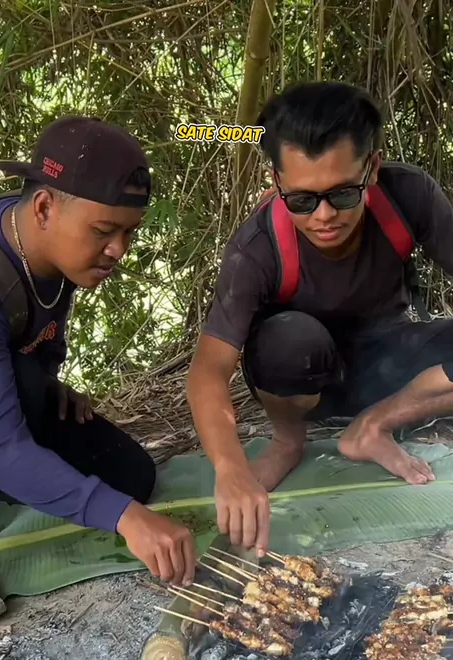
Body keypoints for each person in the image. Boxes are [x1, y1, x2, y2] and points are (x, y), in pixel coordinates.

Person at [187, 81, 453, 558]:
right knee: (287, 341)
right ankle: (287, 442)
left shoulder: (407, 195)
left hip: (393, 370)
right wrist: (230, 469)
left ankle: (374, 425)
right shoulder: (257, 248)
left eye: (343, 194)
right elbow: (208, 370)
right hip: (306, 382)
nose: (324, 216)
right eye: (303, 200)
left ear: (372, 167)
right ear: (276, 181)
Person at [0, 115, 196, 626]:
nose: (119, 250)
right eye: (103, 231)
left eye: (129, 232)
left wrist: (49, 384)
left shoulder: (54, 251)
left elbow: (35, 345)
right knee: (19, 410)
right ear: (44, 207)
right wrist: (125, 519)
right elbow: (0, 446)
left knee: (129, 476)